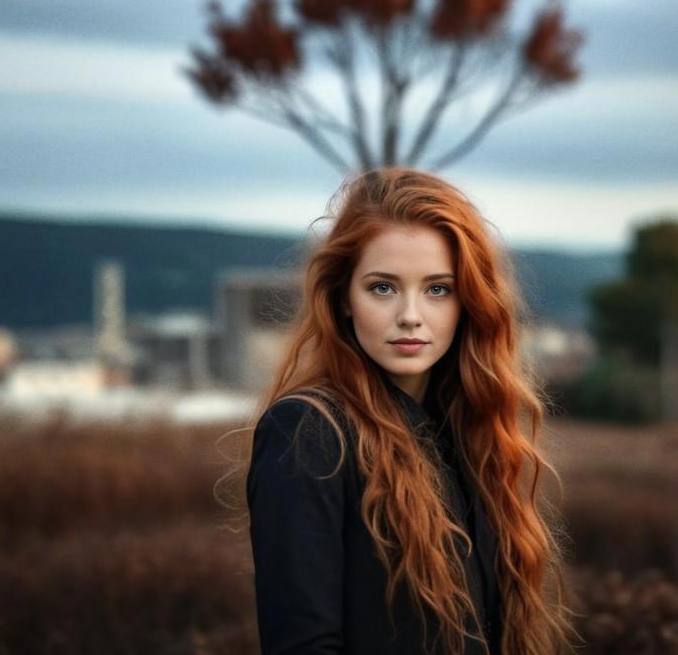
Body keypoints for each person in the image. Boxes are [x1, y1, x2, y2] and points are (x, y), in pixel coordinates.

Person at [242, 168, 576, 655]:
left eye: (438, 289)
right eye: (383, 287)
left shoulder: (471, 432)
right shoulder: (309, 431)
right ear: (343, 299)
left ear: (469, 301)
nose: (411, 315)